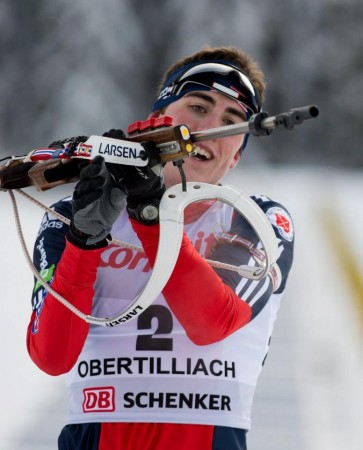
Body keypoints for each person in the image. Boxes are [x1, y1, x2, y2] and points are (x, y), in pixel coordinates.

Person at [27, 46, 294, 450]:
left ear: (236, 153)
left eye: (230, 121)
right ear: (157, 120)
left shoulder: (257, 219)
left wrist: (149, 215)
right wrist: (84, 242)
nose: (210, 128)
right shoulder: (70, 213)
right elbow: (52, 355)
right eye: (199, 107)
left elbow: (211, 323)